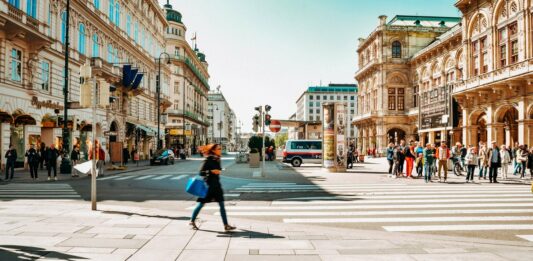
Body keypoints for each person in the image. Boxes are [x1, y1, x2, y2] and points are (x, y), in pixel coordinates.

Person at [190, 144, 236, 232]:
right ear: (213, 150)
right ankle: (192, 221)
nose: (220, 150)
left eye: (220, 148)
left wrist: (219, 170)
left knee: (222, 205)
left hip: (217, 186)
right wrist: (211, 171)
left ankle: (226, 225)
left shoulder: (217, 159)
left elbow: (218, 170)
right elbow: (201, 173)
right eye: (218, 149)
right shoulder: (208, 160)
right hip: (209, 187)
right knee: (201, 204)